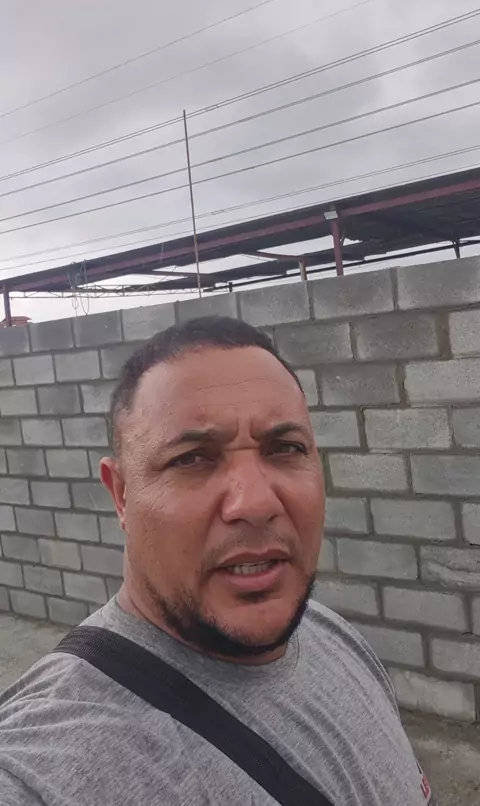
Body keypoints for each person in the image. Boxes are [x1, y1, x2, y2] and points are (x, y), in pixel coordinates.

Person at [0, 316, 436, 806]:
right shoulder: (54, 761)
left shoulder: (332, 635)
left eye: (285, 448)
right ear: (121, 495)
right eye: (192, 458)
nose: (255, 503)